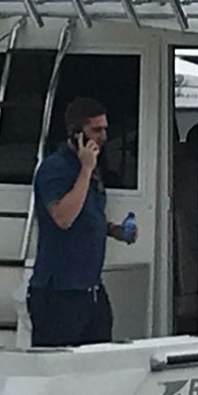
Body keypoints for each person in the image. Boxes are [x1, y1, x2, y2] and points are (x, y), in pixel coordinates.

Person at [29, 96, 138, 347]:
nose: (103, 136)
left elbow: (87, 214)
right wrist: (86, 170)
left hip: (90, 288)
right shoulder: (55, 169)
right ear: (76, 132)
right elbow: (63, 217)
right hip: (58, 292)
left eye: (105, 129)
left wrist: (113, 230)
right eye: (96, 130)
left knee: (100, 354)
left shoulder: (92, 168)